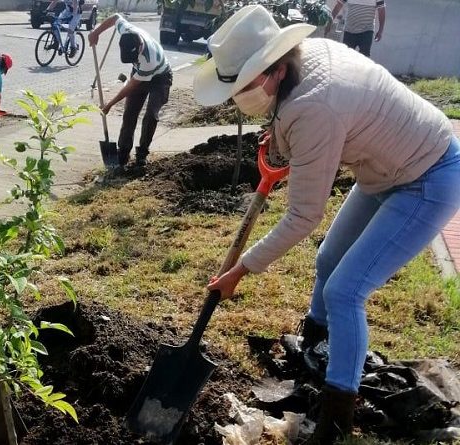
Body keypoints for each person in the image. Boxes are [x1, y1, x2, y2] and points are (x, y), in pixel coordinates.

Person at [195, 5, 459, 444]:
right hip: (384, 167)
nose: (240, 97)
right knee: (329, 257)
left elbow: (303, 216)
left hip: (427, 178)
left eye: (246, 84)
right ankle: (315, 347)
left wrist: (240, 270)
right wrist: (280, 134)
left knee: (346, 289)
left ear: (277, 70)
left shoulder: (314, 105)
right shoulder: (305, 60)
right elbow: (307, 119)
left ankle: (337, 414)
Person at [89, 14, 172, 172]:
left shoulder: (149, 59)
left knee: (151, 115)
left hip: (160, 78)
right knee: (129, 114)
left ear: (140, 47)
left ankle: (141, 154)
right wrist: (96, 32)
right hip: (139, 73)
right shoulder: (127, 31)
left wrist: (110, 104)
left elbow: (131, 86)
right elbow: (115, 18)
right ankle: (123, 153)